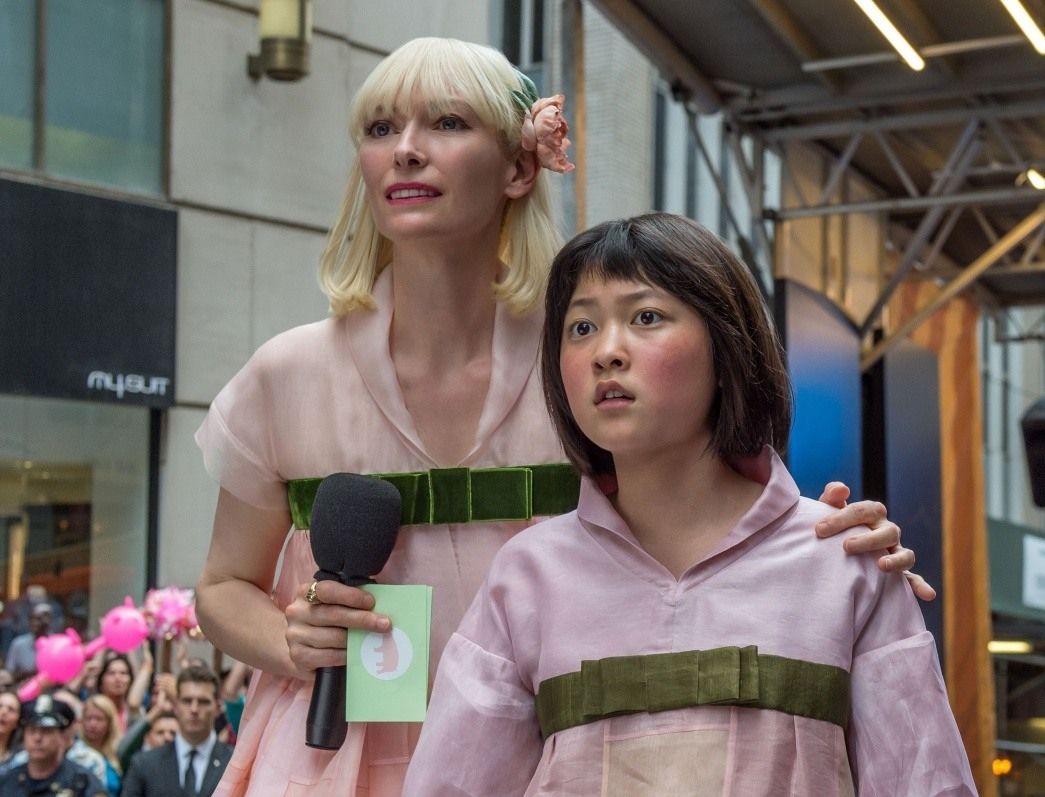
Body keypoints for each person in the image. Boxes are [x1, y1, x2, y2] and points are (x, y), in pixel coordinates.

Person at [194, 37, 922, 797]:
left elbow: (714, 522)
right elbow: (221, 585)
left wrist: (828, 548)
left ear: (518, 167)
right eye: (381, 129)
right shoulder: (286, 374)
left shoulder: (587, 362)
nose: (405, 150)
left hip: (557, 749)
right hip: (331, 751)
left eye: (446, 122)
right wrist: (288, 638)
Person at [403, 213, 974, 794]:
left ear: (727, 349)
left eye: (646, 317)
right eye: (581, 327)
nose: (606, 352)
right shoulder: (527, 575)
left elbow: (926, 783)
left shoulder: (846, 560)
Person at [120, 666, 231, 797]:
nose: (194, 709)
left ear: (217, 707)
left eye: (203, 702)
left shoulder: (234, 763)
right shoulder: (145, 764)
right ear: (176, 706)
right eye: (187, 701)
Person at [0, 695, 106, 797]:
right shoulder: (7, 782)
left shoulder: (83, 784)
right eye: (32, 731)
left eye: (46, 731)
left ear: (62, 736)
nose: (37, 738)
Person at [79, 696, 121, 796]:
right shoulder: (75, 752)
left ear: (110, 723)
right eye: (88, 718)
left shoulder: (118, 752)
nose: (93, 724)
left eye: (99, 719)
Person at [4, 606, 51, 683]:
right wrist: (27, 674)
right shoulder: (18, 643)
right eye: (32, 618)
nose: (35, 623)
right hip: (22, 686)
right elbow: (9, 673)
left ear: (48, 621)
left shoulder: (55, 644)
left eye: (39, 619)